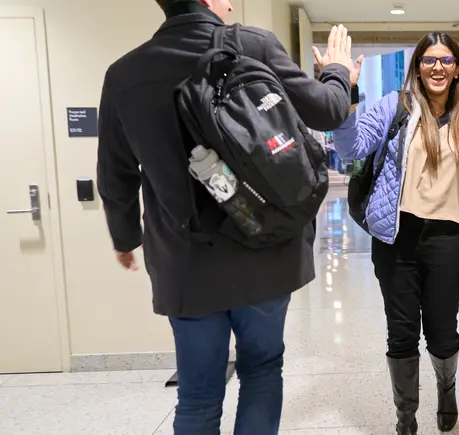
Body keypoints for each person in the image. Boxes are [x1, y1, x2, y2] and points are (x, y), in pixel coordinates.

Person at [96, 0, 358, 433]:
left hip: (185, 260)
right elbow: (329, 109)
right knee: (262, 369)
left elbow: (115, 173)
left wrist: (125, 239)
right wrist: (338, 70)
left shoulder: (125, 74)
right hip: (267, 249)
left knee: (197, 393)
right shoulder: (251, 45)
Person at [329, 33, 459, 435]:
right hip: (396, 237)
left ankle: (447, 386)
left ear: (458, 68)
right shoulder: (396, 106)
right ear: (418, 67)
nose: (437, 67)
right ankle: (405, 418)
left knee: (442, 332)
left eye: (445, 60)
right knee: (400, 332)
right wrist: (347, 90)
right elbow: (350, 148)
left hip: (448, 240)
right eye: (428, 60)